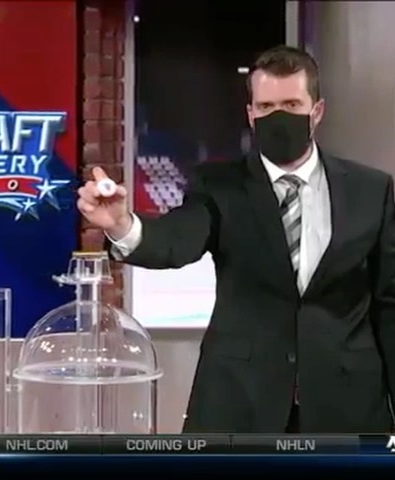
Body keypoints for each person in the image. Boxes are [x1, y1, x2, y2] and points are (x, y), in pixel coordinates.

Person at [77, 45, 395, 434]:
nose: (278, 116)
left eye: (291, 105)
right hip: (241, 403)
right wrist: (122, 224)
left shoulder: (369, 190)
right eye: (266, 107)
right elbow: (178, 239)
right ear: (250, 114)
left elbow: (389, 304)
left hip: (347, 407)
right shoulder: (218, 186)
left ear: (317, 111)